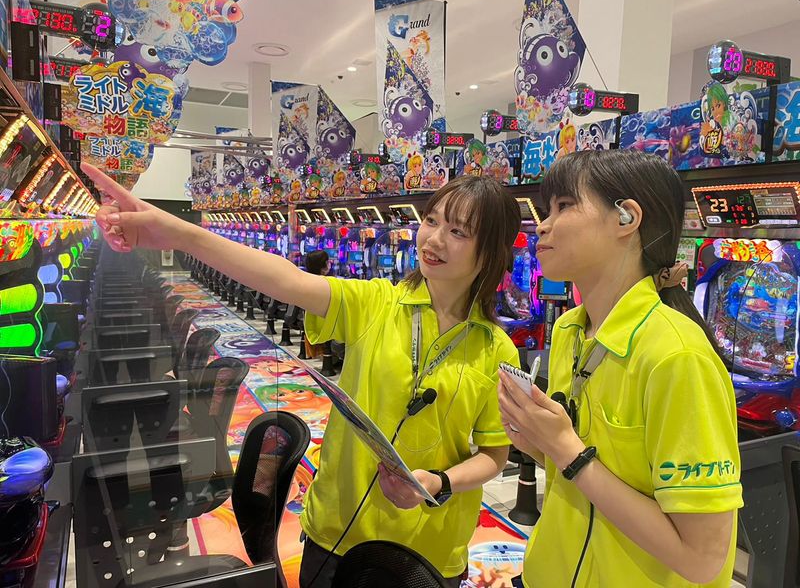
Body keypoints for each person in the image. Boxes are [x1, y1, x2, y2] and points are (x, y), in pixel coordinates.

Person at [87, 164, 522, 588]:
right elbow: (284, 279)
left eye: (458, 231)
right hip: (340, 529)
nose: (434, 239)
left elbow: (494, 455)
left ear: (491, 252)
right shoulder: (377, 303)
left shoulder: (496, 348)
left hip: (429, 549)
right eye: (431, 220)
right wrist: (178, 233)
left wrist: (440, 482)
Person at [498, 149, 742, 587]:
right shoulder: (571, 330)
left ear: (626, 217)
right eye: (546, 209)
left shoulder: (677, 356)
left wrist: (568, 453)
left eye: (564, 206)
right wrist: (538, 442)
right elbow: (588, 473)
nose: (543, 224)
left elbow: (702, 559)